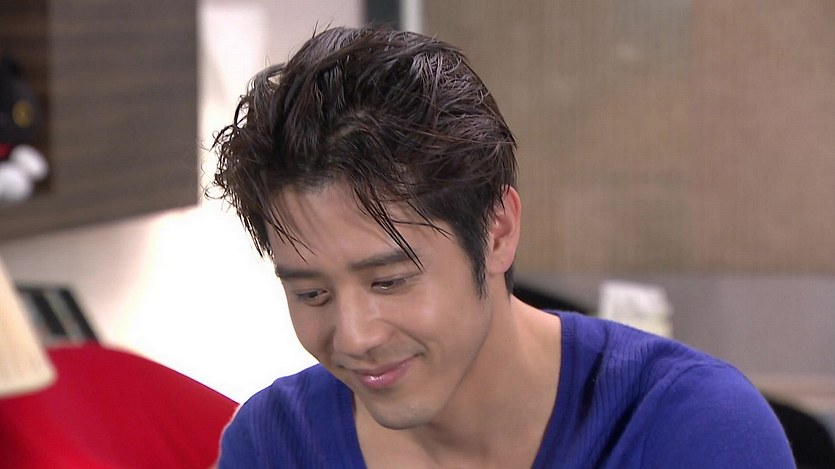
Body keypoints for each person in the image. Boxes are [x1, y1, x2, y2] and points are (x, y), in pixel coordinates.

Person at [211, 24, 794, 468]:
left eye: (388, 281)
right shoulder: (273, 446)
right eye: (311, 294)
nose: (355, 338)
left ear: (497, 232)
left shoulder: (688, 430)